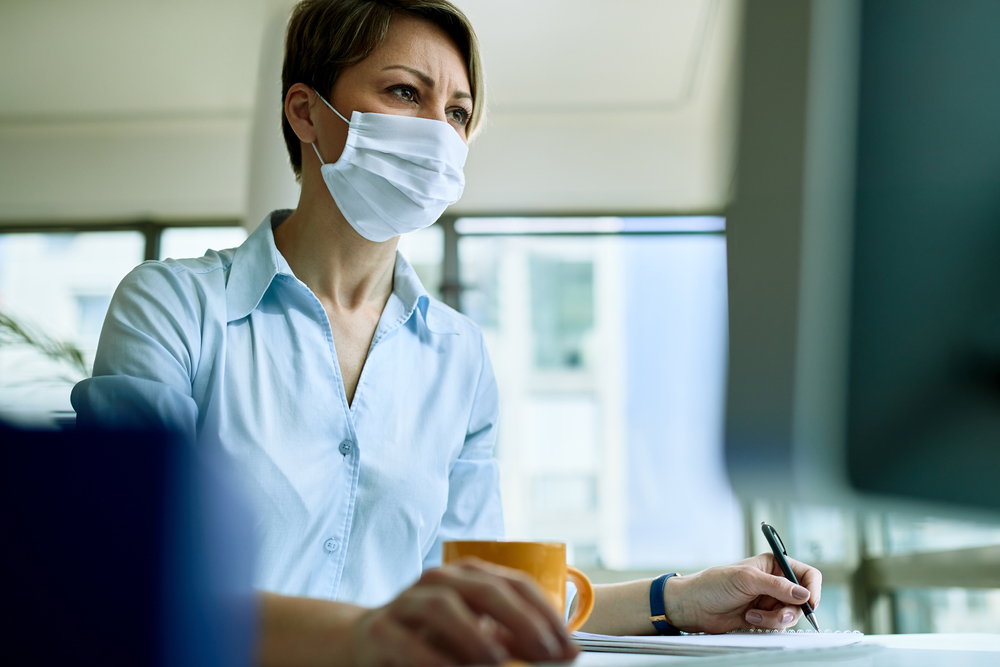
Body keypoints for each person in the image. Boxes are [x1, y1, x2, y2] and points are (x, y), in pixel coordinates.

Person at [72, 1, 822, 665]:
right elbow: (129, 582)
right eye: (406, 92)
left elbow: (485, 595)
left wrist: (684, 598)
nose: (439, 133)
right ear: (306, 112)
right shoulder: (173, 309)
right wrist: (361, 639)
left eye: (458, 113)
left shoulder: (457, 355)